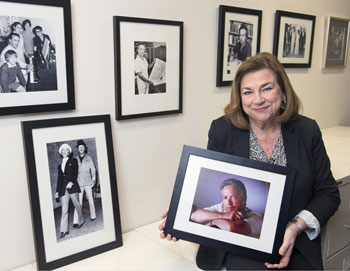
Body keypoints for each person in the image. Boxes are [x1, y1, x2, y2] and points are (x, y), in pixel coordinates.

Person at [159, 52, 340, 270]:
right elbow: (208, 178)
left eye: (267, 88)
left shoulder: (307, 130)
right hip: (238, 246)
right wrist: (181, 214)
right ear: (240, 98)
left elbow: (328, 193)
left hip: (294, 243)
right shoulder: (222, 130)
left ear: (283, 91)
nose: (258, 99)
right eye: (248, 92)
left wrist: (295, 227)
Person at [191, 178, 263, 238]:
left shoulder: (256, 216)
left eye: (233, 197)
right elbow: (194, 216)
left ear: (243, 200)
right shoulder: (221, 206)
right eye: (225, 197)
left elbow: (231, 228)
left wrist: (211, 222)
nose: (228, 202)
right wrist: (224, 215)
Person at [55, 143, 84, 239]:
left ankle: (80, 220)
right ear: (61, 153)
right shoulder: (59, 166)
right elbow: (59, 179)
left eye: (66, 150)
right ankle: (64, 230)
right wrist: (57, 191)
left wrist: (71, 181)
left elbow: (75, 172)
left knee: (76, 204)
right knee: (64, 209)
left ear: (68, 152)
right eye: (62, 150)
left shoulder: (73, 161)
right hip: (63, 189)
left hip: (72, 186)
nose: (64, 152)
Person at [73, 140, 97, 227]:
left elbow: (93, 169)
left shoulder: (89, 158)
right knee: (78, 202)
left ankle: (93, 216)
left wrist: (93, 180)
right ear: (78, 149)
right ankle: (76, 221)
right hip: (79, 183)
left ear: (84, 148)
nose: (81, 148)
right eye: (79, 147)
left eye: (82, 147)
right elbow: (73, 172)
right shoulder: (75, 159)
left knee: (90, 200)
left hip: (88, 182)